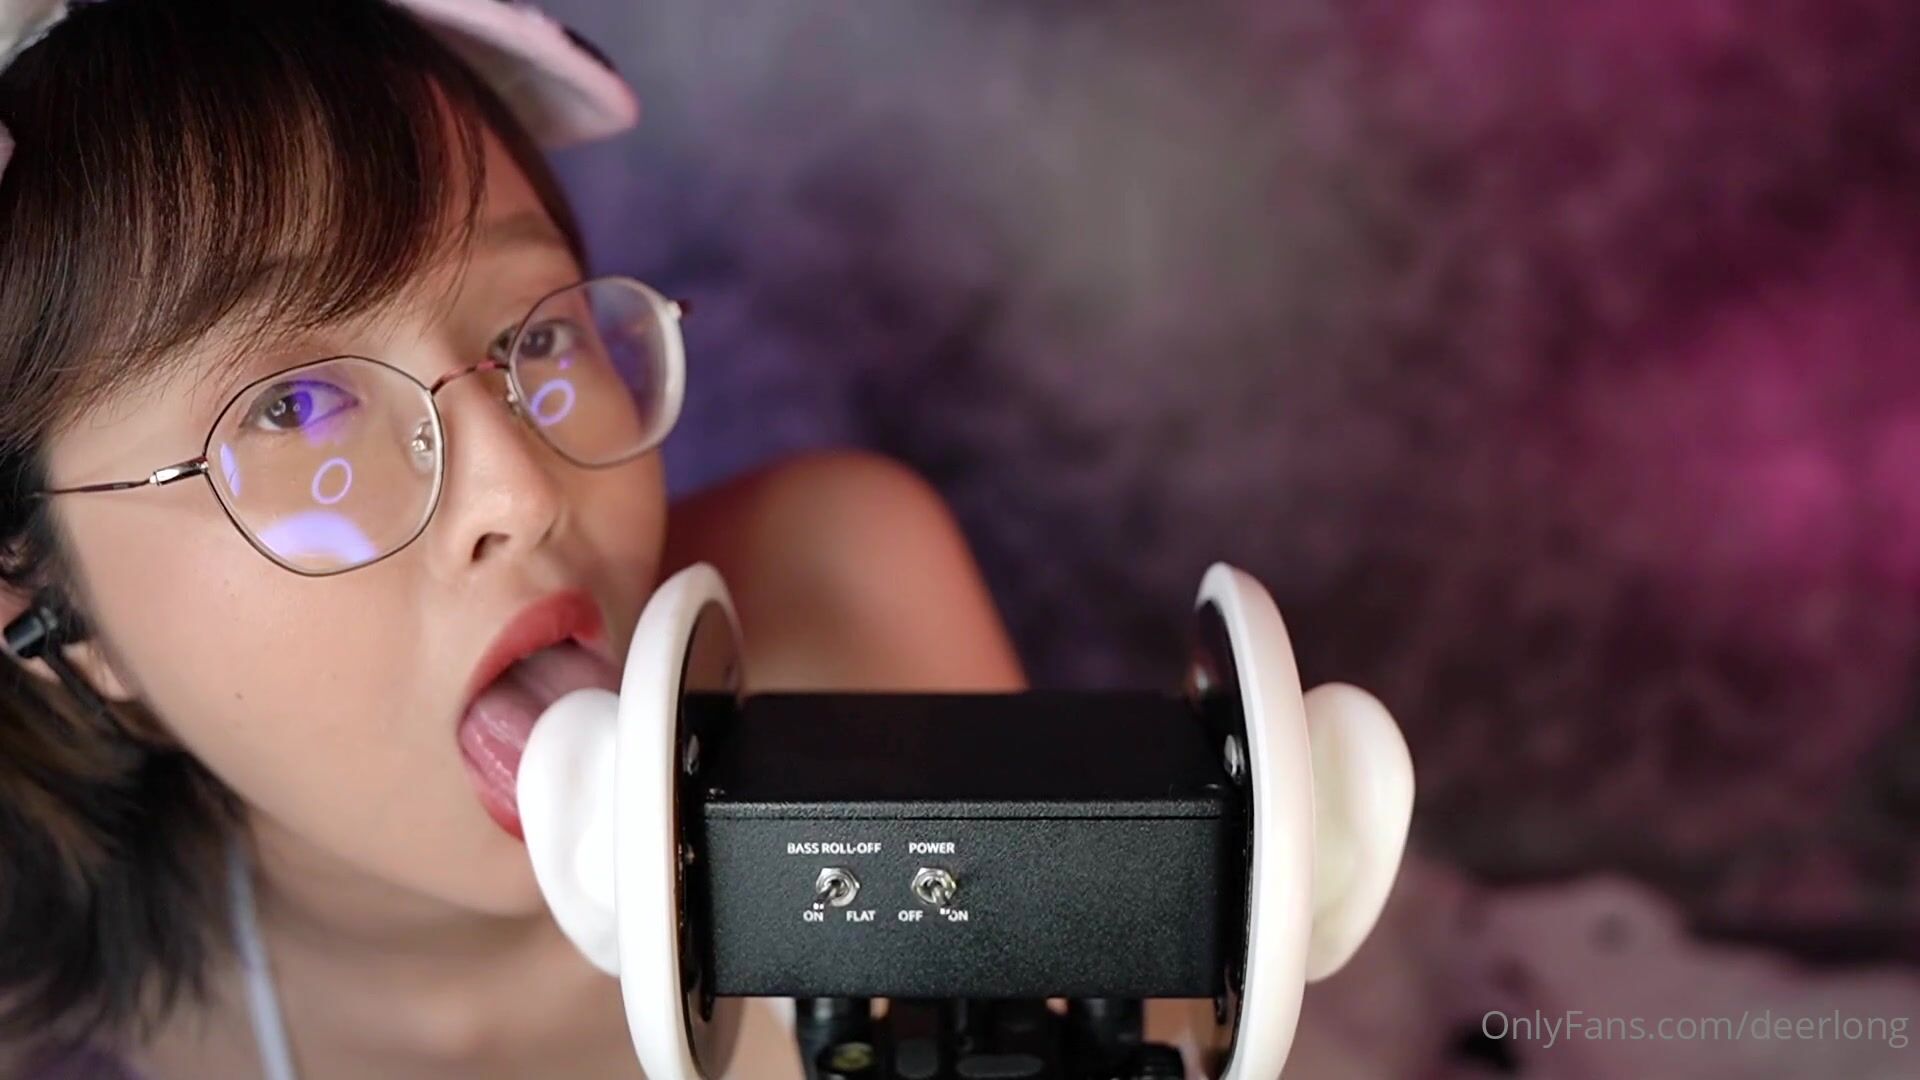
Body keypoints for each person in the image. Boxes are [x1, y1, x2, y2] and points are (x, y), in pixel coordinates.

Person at [0, 1, 1024, 1076]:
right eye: (292, 408)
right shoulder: (52, 1020)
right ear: (40, 596)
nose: (519, 492)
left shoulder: (837, 604)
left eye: (536, 333)